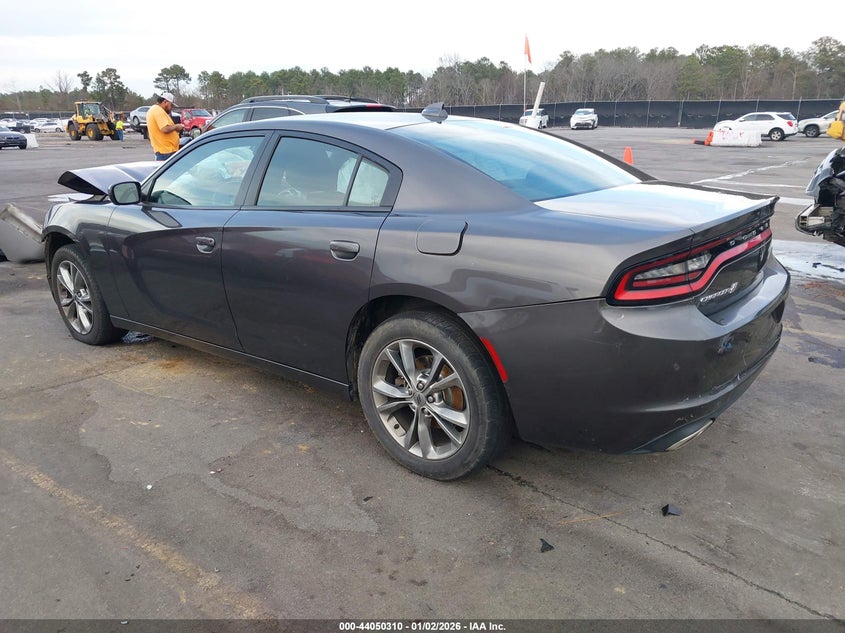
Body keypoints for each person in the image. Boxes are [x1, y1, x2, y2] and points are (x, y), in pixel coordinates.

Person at [147, 92, 183, 160]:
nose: (171, 108)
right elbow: (165, 128)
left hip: (166, 151)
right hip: (166, 152)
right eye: (171, 105)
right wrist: (176, 127)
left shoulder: (157, 110)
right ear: (165, 102)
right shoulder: (158, 110)